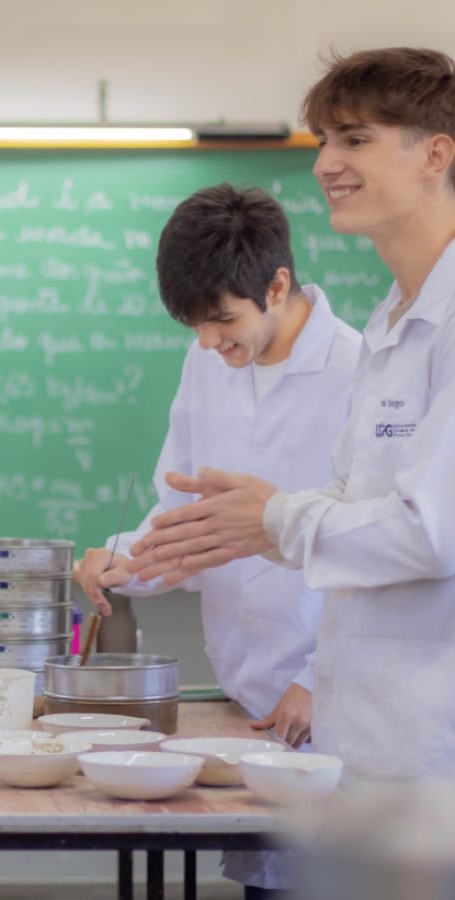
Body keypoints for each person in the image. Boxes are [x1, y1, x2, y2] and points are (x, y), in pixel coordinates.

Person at [127, 48, 455, 784]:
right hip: (365, 742)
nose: (326, 164)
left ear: (436, 153)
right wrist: (250, 524)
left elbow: (432, 534)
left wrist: (272, 520)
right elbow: (349, 506)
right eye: (323, 141)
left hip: (432, 754)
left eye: (355, 139)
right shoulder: (393, 324)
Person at [76, 184, 361, 897]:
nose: (208, 341)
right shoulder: (208, 361)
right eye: (194, 325)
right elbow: (180, 508)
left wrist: (324, 678)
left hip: (337, 703)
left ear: (277, 284)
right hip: (252, 705)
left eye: (223, 320)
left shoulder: (361, 372)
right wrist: (123, 559)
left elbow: (385, 549)